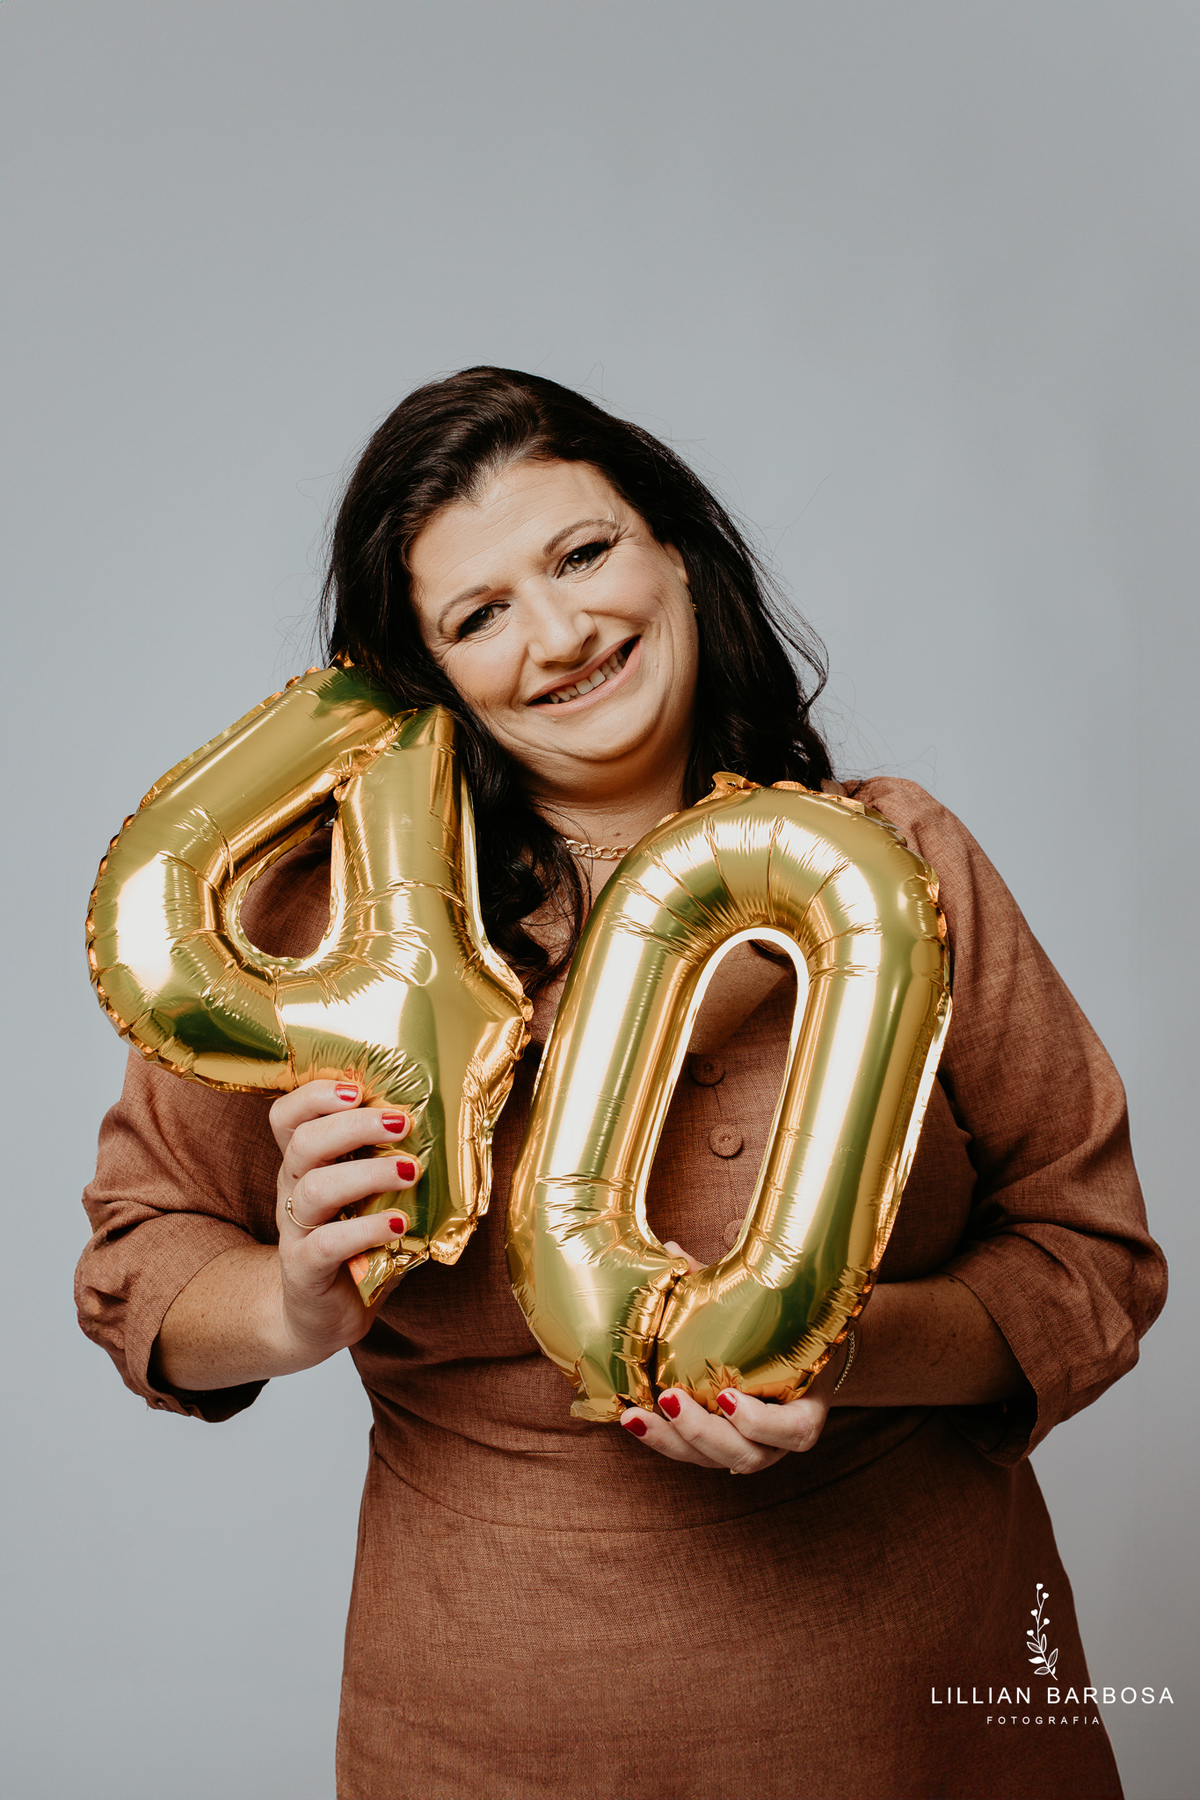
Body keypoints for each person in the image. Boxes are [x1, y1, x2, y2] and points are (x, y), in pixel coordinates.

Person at [77, 367, 1167, 1800]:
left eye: (583, 554)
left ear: (674, 551)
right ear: (424, 676)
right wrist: (289, 1303)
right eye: (479, 616)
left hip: (919, 1715)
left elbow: (1090, 1260)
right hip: (490, 1730)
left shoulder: (902, 868)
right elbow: (137, 1267)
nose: (562, 634)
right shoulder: (327, 932)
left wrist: (832, 1348)